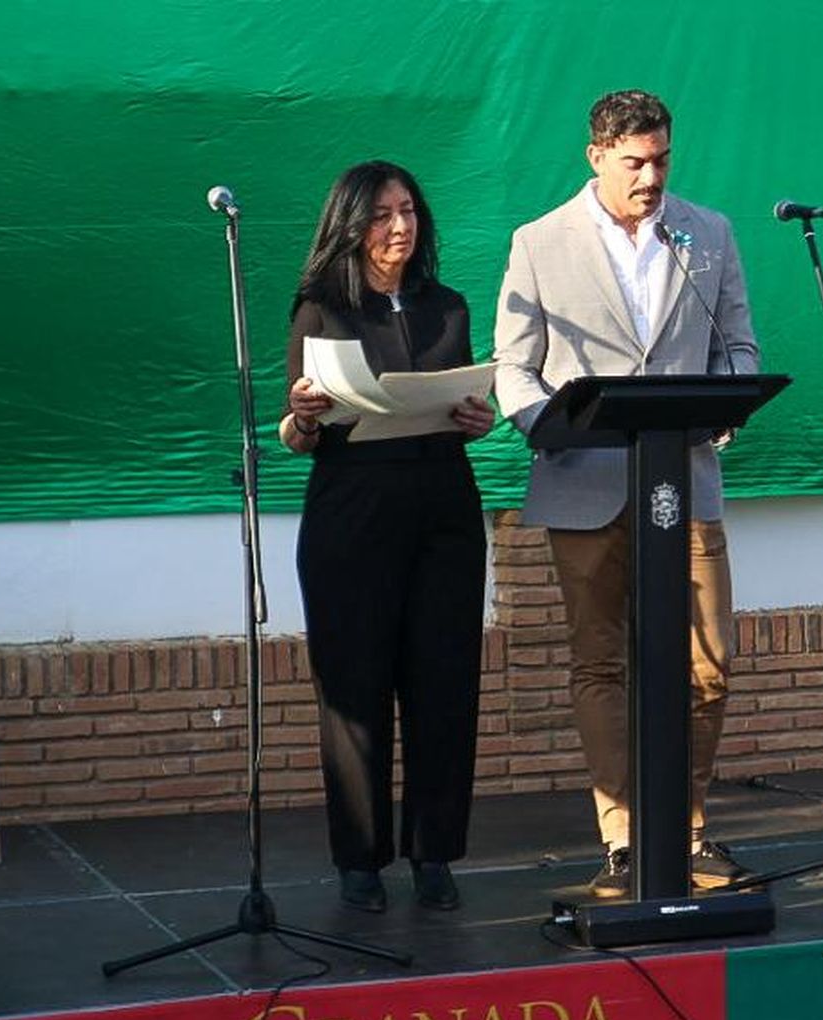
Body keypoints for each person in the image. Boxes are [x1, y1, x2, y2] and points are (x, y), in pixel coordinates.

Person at [493, 90, 760, 898]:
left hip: (684, 482)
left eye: (662, 160)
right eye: (635, 162)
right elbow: (514, 364)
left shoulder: (707, 233)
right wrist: (551, 424)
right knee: (601, 662)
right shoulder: (540, 242)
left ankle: (687, 831)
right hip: (588, 482)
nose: (651, 177)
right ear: (596, 156)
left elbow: (738, 346)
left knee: (708, 664)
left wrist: (727, 402)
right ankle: (624, 839)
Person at [280, 160, 494, 912]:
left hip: (443, 513)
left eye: (408, 210)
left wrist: (479, 417)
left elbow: (466, 406)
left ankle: (434, 853)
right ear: (350, 226)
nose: (399, 226)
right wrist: (305, 414)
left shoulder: (448, 307)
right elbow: (297, 432)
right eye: (381, 215)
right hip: (352, 517)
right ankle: (359, 861)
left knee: (443, 684)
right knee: (354, 688)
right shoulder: (321, 311)